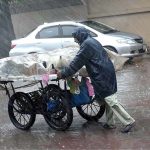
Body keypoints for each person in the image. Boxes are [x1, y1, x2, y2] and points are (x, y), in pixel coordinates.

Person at [57, 27, 135, 133]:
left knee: (110, 99)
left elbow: (76, 63)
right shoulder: (92, 41)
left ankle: (129, 121)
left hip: (101, 74)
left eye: (76, 38)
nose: (76, 40)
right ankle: (110, 123)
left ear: (80, 35)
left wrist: (63, 73)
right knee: (108, 98)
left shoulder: (86, 45)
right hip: (106, 70)